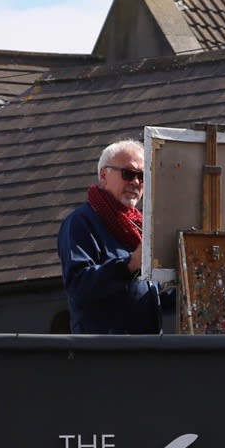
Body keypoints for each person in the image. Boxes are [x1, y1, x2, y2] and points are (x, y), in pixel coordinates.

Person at [57, 139, 168, 333]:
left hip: (147, 352)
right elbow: (79, 286)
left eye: (142, 176)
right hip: (105, 354)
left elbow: (150, 294)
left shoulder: (141, 227)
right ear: (103, 175)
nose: (135, 182)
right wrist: (130, 264)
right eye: (128, 174)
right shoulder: (81, 222)